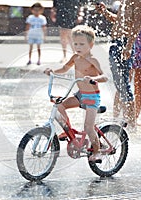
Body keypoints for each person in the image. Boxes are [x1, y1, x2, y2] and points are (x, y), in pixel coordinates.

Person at [44, 25, 108, 161]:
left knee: (88, 127)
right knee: (59, 107)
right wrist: (53, 72)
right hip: (81, 94)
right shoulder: (75, 57)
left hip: (92, 97)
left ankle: (97, 152)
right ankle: (70, 132)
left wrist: (94, 79)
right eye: (75, 44)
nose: (78, 47)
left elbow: (105, 77)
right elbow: (64, 68)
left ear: (91, 44)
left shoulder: (93, 60)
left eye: (82, 44)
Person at [96, 0, 141, 128]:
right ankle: (121, 119)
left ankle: (131, 123)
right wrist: (105, 12)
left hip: (124, 43)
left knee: (124, 84)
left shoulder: (139, 1)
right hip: (115, 42)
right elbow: (119, 20)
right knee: (119, 84)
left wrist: (129, 46)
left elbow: (136, 24)